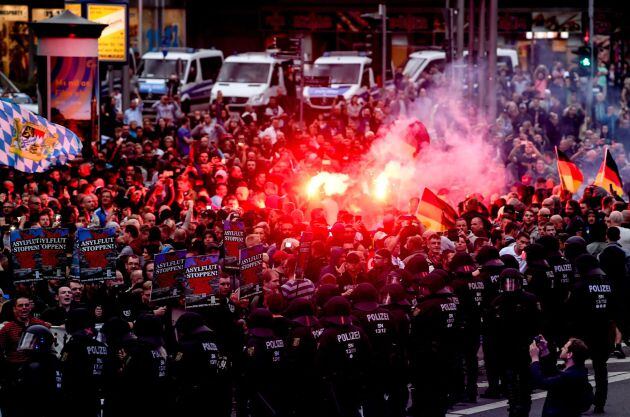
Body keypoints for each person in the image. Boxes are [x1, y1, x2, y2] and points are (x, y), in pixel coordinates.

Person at [488, 268, 541, 417]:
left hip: (525, 346)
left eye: (513, 283)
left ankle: (522, 409)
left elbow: (537, 321)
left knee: (525, 384)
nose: (509, 287)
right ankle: (513, 407)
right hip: (505, 347)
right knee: (508, 382)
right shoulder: (497, 302)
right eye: (507, 283)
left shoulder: (529, 299)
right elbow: (491, 327)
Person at [567, 254, 615, 414]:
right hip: (604, 331)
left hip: (584, 333)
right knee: (601, 368)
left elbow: (572, 311)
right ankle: (600, 402)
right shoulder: (608, 283)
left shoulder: (580, 286)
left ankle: (581, 400)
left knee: (578, 367)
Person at [410, 270, 462, 417]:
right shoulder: (452, 303)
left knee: (427, 388)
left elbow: (415, 330)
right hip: (448, 351)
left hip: (428, 354)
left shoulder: (425, 306)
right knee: (442, 386)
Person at [316, 296, 372, 417]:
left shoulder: (327, 334)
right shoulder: (358, 330)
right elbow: (368, 353)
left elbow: (320, 359)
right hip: (357, 376)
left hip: (337, 381)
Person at [173, 312, 232, 417]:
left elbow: (177, 368)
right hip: (219, 397)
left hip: (195, 400)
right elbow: (225, 368)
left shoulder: (185, 346)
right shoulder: (218, 343)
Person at [60, 308, 109, 417]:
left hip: (76, 397)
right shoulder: (102, 346)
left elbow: (64, 369)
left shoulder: (73, 345)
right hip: (95, 396)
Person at [529, 336, 594, 417]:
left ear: (569, 354)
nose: (562, 348)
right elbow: (555, 372)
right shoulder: (577, 371)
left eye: (565, 348)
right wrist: (545, 350)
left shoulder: (569, 376)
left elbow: (542, 382)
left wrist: (534, 359)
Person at [12, 325, 61, 417]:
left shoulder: (34, 365)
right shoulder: (55, 361)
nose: (27, 344)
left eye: (31, 341)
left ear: (42, 342)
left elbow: (25, 395)